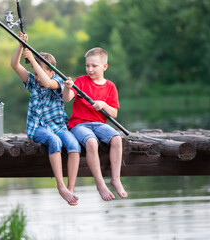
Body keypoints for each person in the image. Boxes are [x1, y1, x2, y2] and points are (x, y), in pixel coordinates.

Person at [11, 32, 81, 206]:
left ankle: (70, 188)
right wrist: (21, 46)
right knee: (54, 142)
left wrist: (33, 60)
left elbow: (48, 83)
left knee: (74, 145)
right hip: (38, 128)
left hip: (58, 125)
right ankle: (60, 185)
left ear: (51, 71)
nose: (36, 76)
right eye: (34, 73)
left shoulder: (57, 81)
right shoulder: (33, 81)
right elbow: (14, 64)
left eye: (40, 72)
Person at [63, 47, 128, 201]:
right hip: (79, 125)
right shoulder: (80, 81)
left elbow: (114, 113)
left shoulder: (110, 86)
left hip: (99, 124)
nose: (90, 69)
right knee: (91, 142)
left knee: (117, 139)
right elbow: (66, 98)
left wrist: (103, 104)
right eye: (87, 66)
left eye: (94, 66)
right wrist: (67, 87)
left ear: (105, 66)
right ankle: (100, 184)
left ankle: (116, 179)